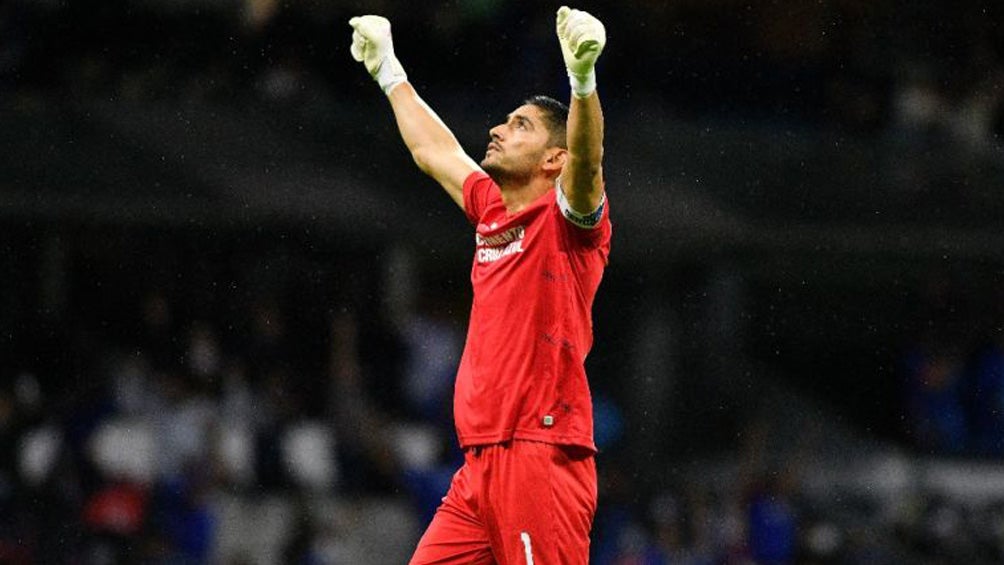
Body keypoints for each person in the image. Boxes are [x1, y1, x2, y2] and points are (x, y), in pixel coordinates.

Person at [350, 6, 610, 563]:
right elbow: (435, 151)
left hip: (540, 457)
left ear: (553, 159)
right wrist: (388, 70)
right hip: (479, 466)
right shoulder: (492, 211)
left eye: (521, 126)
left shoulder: (570, 225)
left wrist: (582, 81)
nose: (497, 128)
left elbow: (587, 166)